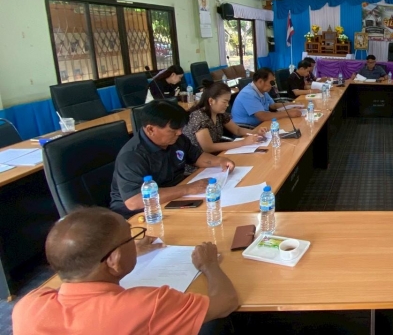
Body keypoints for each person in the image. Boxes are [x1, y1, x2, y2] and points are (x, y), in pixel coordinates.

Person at [13, 207, 239, 335]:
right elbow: (226, 302)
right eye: (131, 238)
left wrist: (125, 252)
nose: (135, 241)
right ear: (114, 259)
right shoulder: (146, 304)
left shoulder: (26, 307)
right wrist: (209, 264)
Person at [109, 100, 236, 218]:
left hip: (174, 196)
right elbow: (133, 202)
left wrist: (220, 161)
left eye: (181, 128)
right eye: (173, 130)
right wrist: (187, 189)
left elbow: (197, 157)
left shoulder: (176, 139)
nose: (179, 133)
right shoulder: (132, 155)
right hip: (140, 213)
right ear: (150, 129)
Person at [184, 82, 269, 172]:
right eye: (224, 102)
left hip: (216, 158)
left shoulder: (220, 114)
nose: (227, 105)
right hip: (199, 165)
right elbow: (208, 147)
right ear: (211, 101)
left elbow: (237, 129)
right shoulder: (199, 117)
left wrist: (255, 132)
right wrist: (243, 142)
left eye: (228, 101)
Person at [231, 68, 302, 127]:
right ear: (260, 81)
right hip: (248, 128)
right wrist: (288, 113)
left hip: (261, 124)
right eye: (271, 82)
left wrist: (293, 104)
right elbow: (262, 116)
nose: (273, 85)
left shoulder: (262, 90)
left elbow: (273, 105)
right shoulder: (248, 94)